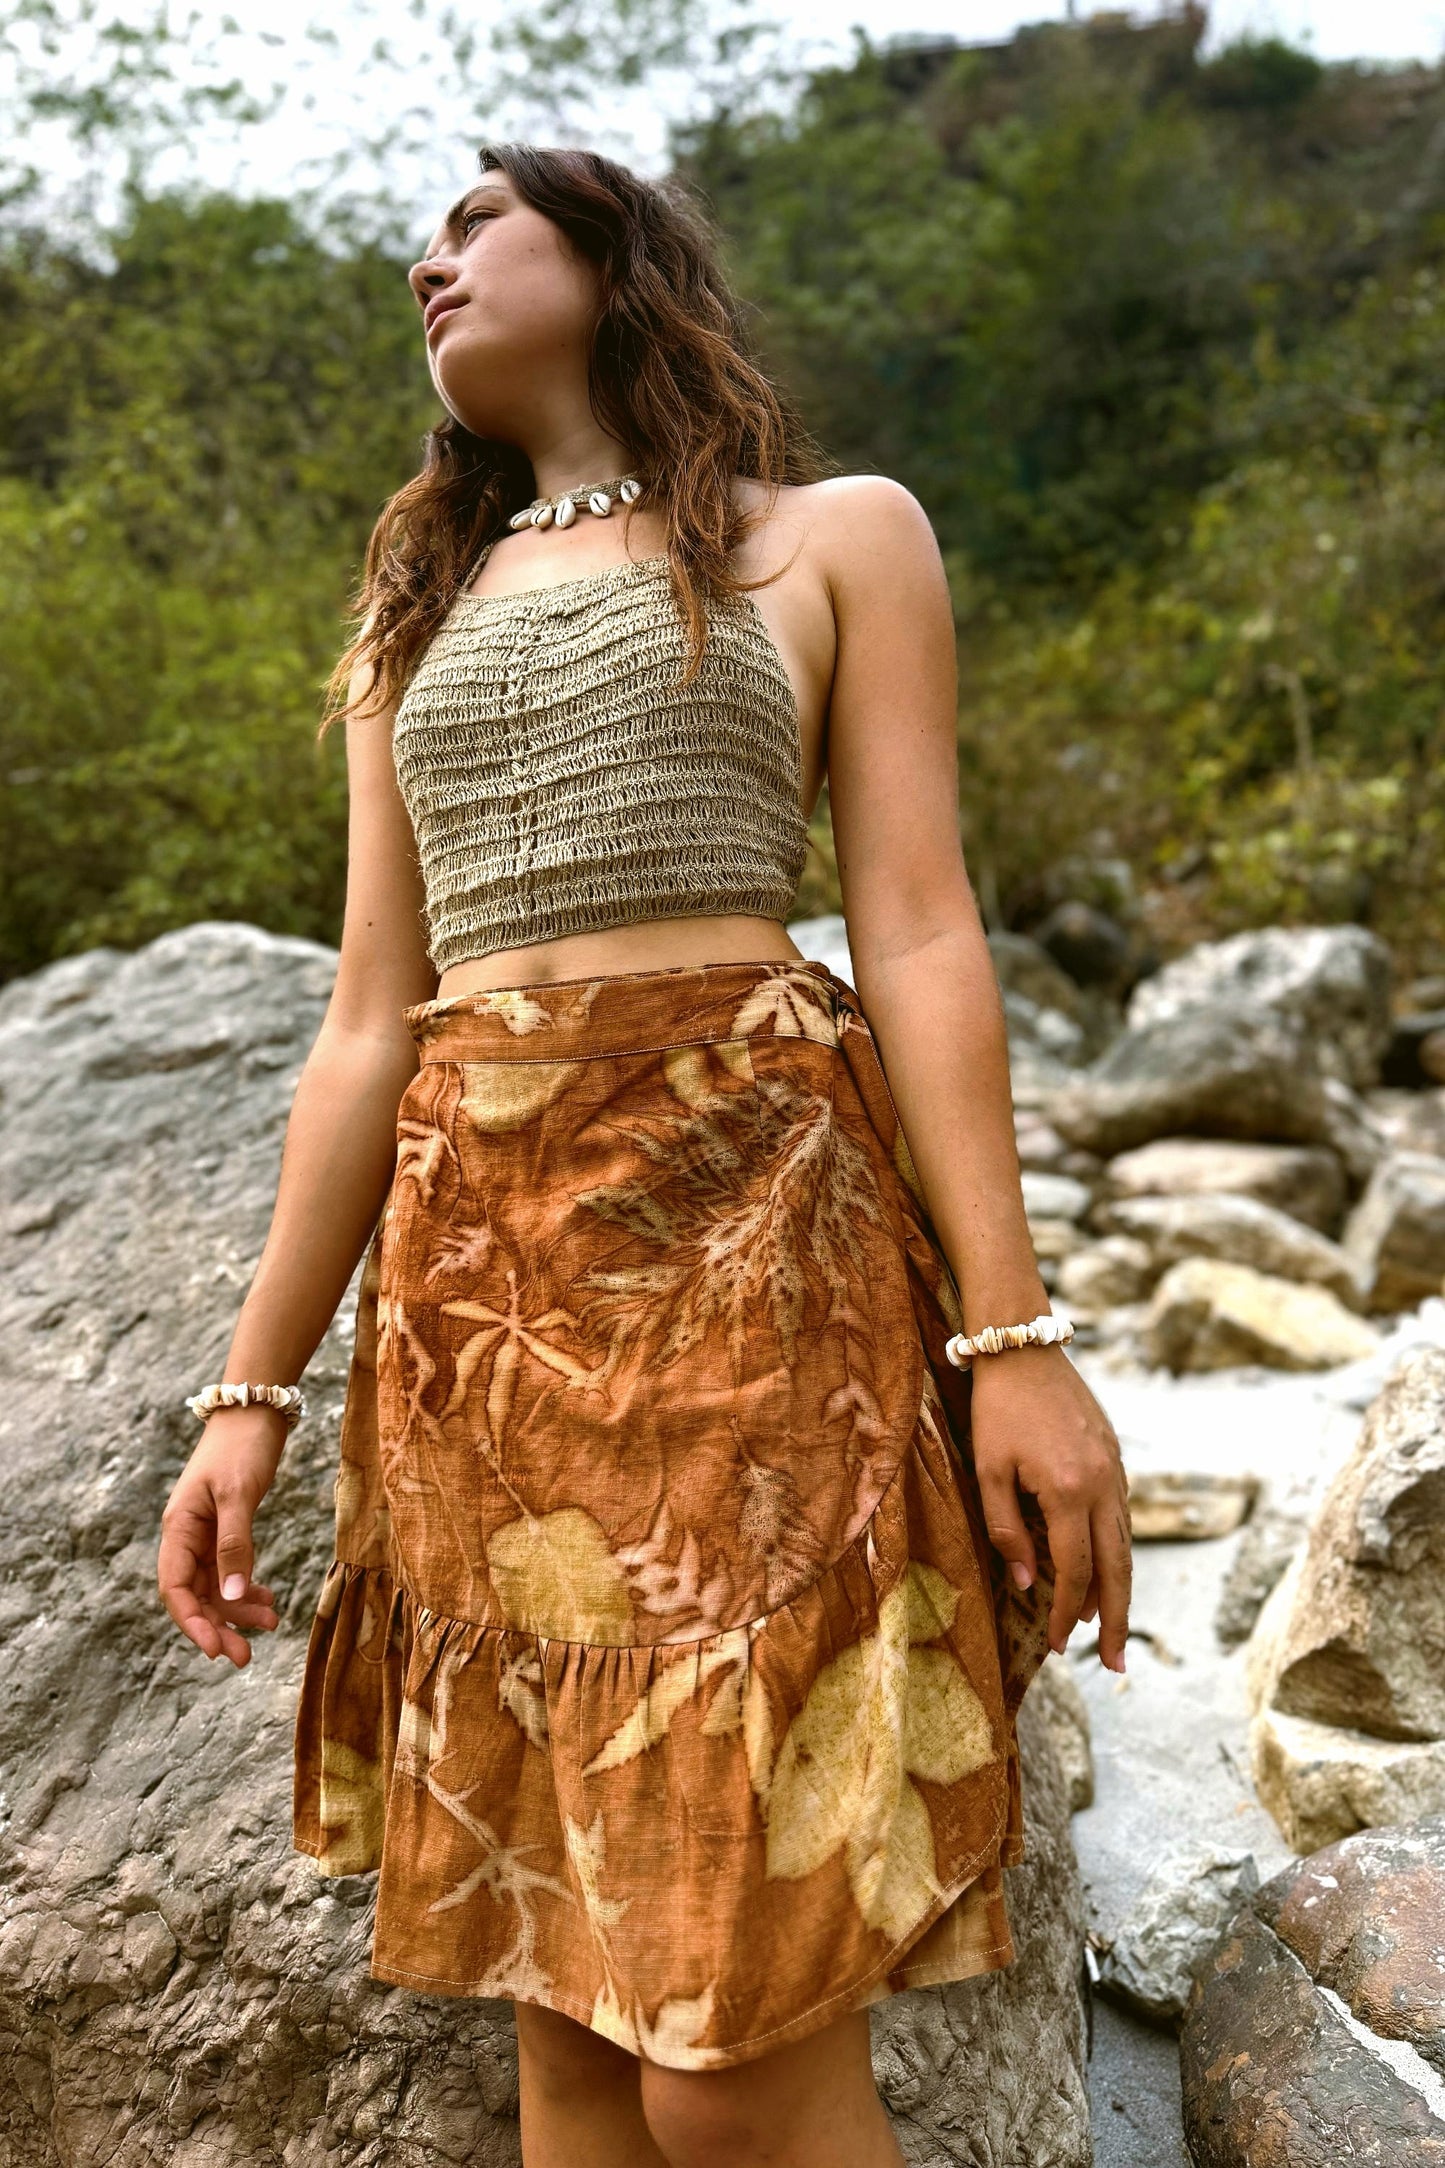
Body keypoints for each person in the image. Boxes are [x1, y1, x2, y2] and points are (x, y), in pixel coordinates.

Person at [157, 142, 1131, 2168]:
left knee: (729, 2064)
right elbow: (365, 1027)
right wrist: (246, 1396)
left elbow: (923, 929)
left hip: (762, 1274)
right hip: (485, 1332)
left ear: (614, 262)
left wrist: (1014, 1333)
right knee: (576, 2025)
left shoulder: (836, 538)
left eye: (475, 225)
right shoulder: (414, 604)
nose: (427, 264)